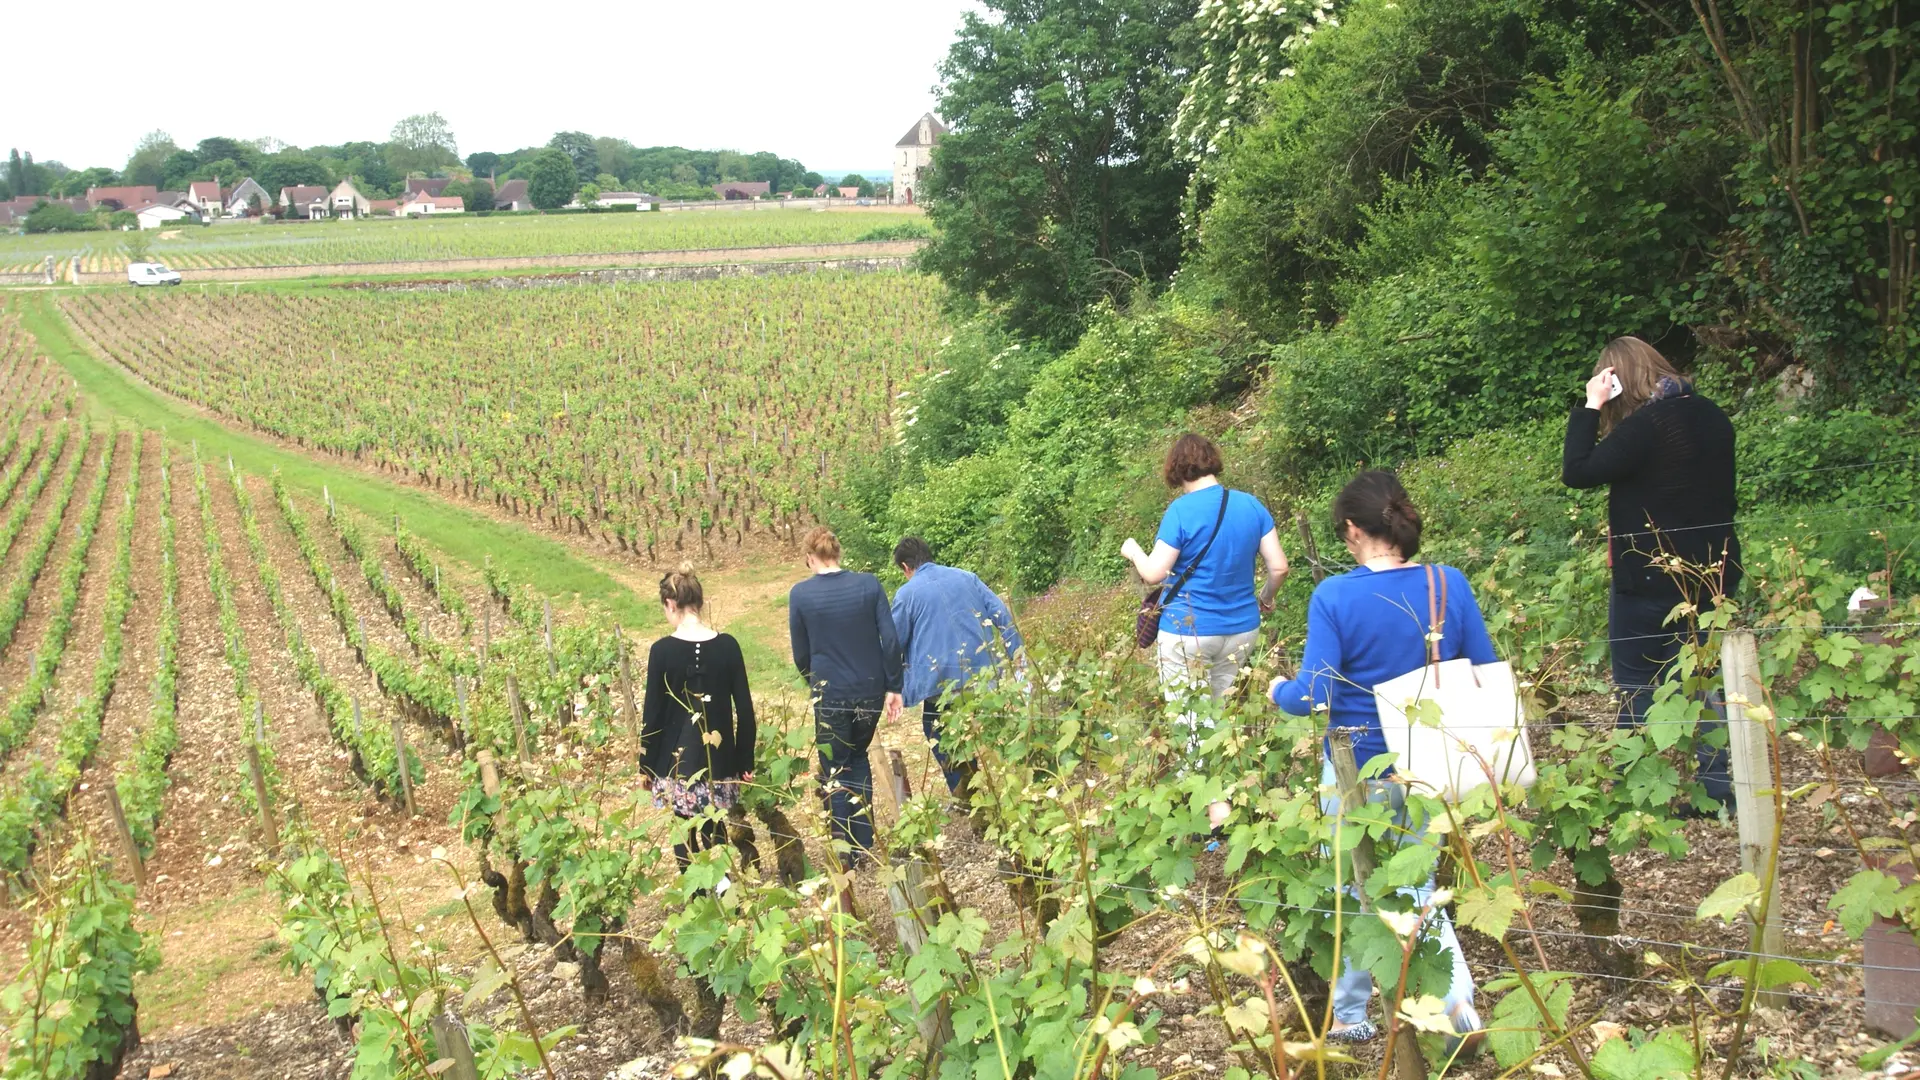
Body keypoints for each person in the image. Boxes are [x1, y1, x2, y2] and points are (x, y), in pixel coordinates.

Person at [1267, 471, 1485, 1053]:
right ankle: (1358, 1012)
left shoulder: (1335, 596)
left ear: (1352, 531)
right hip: (1434, 763)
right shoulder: (1449, 583)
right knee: (1416, 882)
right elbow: (1482, 668)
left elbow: (1315, 693)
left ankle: (1454, 1007)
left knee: (1354, 886)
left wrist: (1276, 691)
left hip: (1356, 764)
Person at [1562, 336, 1737, 811]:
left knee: (1638, 682)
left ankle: (1632, 790)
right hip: (1713, 574)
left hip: (1649, 578)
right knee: (1701, 680)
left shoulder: (1646, 426)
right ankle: (1718, 792)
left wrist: (1591, 406)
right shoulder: (1711, 415)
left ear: (1618, 380)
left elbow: (1577, 470)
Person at [1121, 434, 1287, 828]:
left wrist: (1132, 550)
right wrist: (1265, 597)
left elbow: (1154, 574)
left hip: (1188, 631)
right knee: (1218, 710)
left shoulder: (1180, 511)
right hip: (1242, 629)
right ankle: (1229, 787)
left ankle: (1215, 809)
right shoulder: (1250, 505)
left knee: (1189, 714)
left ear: (1176, 470)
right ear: (1214, 462)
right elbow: (1278, 567)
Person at [789, 527, 903, 869]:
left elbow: (800, 654)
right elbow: (891, 641)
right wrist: (893, 686)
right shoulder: (868, 585)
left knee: (835, 767)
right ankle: (864, 843)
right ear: (838, 553)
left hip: (831, 694)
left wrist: (816, 683)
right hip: (868, 690)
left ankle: (845, 852)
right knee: (857, 757)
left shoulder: (801, 595)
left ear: (811, 557)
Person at [638, 564, 756, 873]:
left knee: (683, 835)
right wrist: (745, 762)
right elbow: (744, 709)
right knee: (715, 832)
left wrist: (646, 766)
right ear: (699, 602)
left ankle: (698, 899)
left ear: (670, 604)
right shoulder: (728, 646)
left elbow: (653, 713)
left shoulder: (661, 651)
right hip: (721, 763)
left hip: (674, 764)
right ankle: (725, 894)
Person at [888, 535, 1023, 797]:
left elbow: (893, 642)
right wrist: (1018, 659)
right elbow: (1001, 613)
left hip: (941, 681)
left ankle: (966, 795)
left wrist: (895, 682)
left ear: (906, 567)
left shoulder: (906, 594)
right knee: (991, 728)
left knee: (939, 732)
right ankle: (1004, 786)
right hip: (983, 673)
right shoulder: (966, 577)